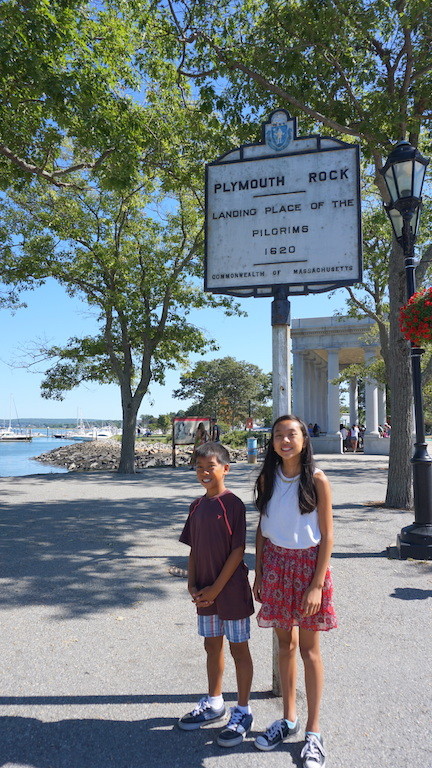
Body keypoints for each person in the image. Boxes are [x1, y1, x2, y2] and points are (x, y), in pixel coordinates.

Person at [253, 415, 337, 768]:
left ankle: (314, 732)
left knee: (309, 651)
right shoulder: (267, 478)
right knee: (283, 647)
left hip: (307, 568)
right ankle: (288, 718)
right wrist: (259, 570)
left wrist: (317, 584)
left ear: (304, 439)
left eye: (291, 434)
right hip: (275, 564)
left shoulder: (316, 480)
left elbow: (328, 536)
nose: (284, 441)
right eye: (278, 435)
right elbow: (263, 525)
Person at [178, 441, 255, 747]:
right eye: (199, 467)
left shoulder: (232, 504)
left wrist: (216, 588)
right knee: (212, 647)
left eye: (210, 466)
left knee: (239, 649)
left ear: (225, 469)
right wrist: (192, 584)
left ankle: (244, 709)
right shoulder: (196, 506)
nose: (204, 472)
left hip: (231, 590)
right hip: (205, 593)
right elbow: (194, 547)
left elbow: (238, 551)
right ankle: (215, 701)